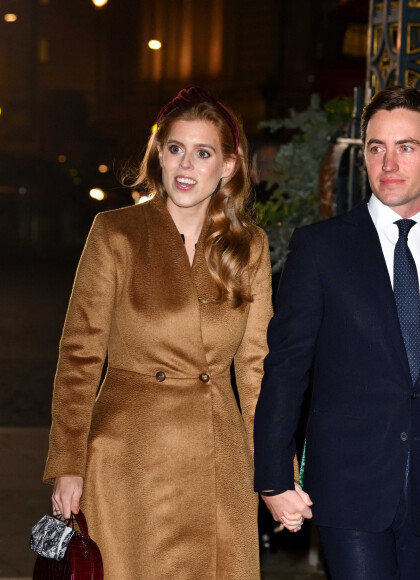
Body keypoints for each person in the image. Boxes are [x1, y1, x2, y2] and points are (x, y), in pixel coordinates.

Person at [253, 86, 420, 580]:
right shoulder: (321, 249)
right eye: (376, 147)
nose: (388, 162)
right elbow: (286, 366)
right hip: (345, 485)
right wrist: (273, 477)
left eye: (406, 146)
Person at [44, 86, 272, 579]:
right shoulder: (116, 232)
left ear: (228, 167)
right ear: (159, 156)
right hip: (128, 458)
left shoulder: (249, 247)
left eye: (203, 152)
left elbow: (256, 370)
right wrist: (68, 462)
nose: (186, 164)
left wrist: (272, 473)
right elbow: (79, 355)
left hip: (218, 460)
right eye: (175, 149)